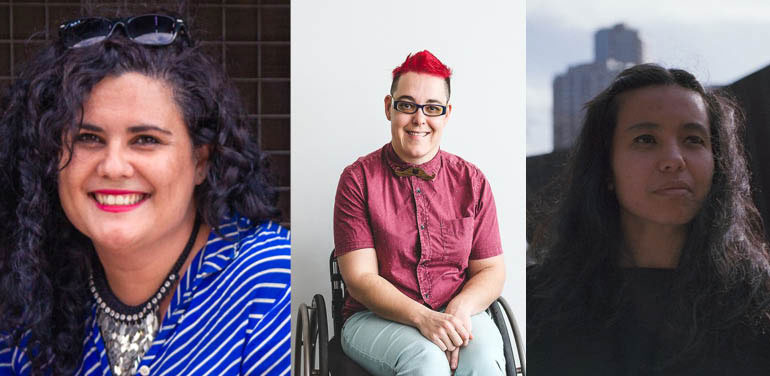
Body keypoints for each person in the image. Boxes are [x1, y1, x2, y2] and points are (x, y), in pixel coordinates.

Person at [0, 11, 290, 376]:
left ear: (202, 159)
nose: (114, 166)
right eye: (88, 138)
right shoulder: (35, 297)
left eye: (146, 140)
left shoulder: (272, 282)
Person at [527, 64, 770, 375]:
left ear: (717, 163)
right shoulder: (539, 301)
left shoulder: (757, 304)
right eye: (645, 139)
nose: (674, 159)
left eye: (693, 139)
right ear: (605, 168)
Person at [333, 50, 506, 375]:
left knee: (482, 358)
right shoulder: (357, 180)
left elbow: (492, 271)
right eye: (407, 105)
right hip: (374, 318)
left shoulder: (473, 181)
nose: (419, 119)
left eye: (432, 108)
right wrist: (424, 319)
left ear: (446, 114)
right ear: (389, 107)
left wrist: (458, 310)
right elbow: (359, 279)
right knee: (426, 360)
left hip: (458, 308)